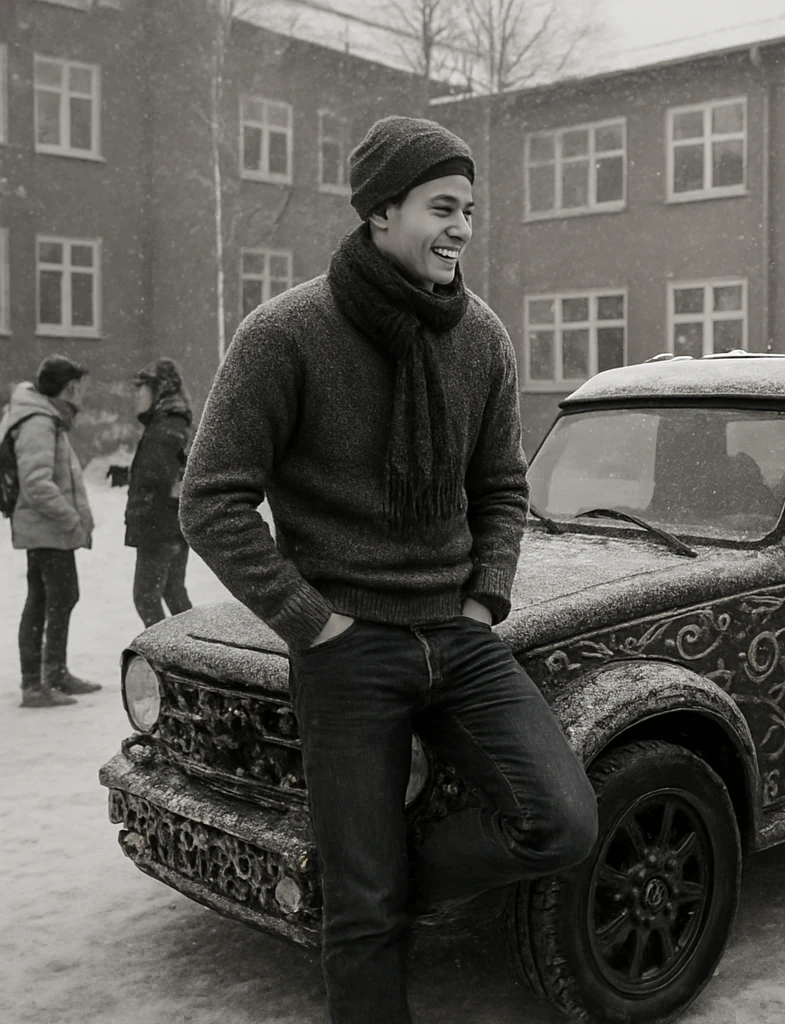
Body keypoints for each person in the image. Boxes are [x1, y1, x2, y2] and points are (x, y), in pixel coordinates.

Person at [179, 115, 598, 1024]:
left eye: (471, 211)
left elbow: (499, 485)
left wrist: (487, 599)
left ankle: (375, 860)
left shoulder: (480, 337)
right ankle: (364, 880)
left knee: (562, 821)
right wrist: (313, 622)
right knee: (362, 917)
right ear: (379, 211)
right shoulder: (285, 334)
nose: (461, 229)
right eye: (442, 208)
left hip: (460, 632)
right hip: (347, 649)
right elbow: (209, 497)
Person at [4, 355, 100, 708]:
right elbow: (37, 484)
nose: (83, 394)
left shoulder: (46, 419)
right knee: (53, 599)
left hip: (45, 529)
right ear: (69, 387)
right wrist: (71, 521)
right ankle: (38, 682)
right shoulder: (39, 423)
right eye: (80, 387)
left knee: (49, 599)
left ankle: (51, 675)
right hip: (46, 529)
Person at [126, 358, 195, 627]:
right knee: (173, 592)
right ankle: (193, 648)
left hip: (159, 528)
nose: (136, 395)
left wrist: (145, 525)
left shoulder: (164, 429)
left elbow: (160, 480)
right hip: (172, 525)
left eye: (140, 389)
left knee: (145, 597)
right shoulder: (172, 424)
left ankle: (168, 657)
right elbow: (168, 472)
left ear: (160, 390)